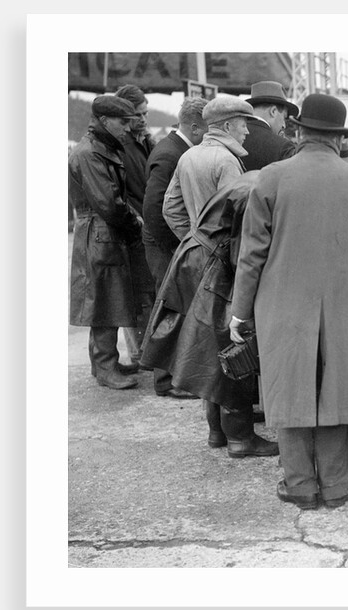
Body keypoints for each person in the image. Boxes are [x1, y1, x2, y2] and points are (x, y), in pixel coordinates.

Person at [229, 93, 348, 509]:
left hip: (280, 304)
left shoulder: (270, 178)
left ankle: (299, 484)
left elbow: (252, 255)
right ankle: (337, 485)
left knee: (290, 387)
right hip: (340, 304)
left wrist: (239, 311)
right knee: (336, 387)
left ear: (299, 132)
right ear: (338, 139)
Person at [141, 172, 277, 458]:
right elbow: (244, 256)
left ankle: (218, 431)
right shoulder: (260, 193)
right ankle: (240, 437)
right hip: (212, 263)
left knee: (210, 349)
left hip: (197, 257)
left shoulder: (257, 179)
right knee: (235, 344)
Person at [68, 95, 144, 389]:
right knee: (104, 299)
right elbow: (109, 204)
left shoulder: (99, 148)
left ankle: (104, 363)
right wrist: (133, 223)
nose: (127, 128)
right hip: (100, 232)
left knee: (107, 297)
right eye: (122, 122)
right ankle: (104, 366)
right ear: (103, 121)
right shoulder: (90, 153)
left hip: (102, 232)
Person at [140, 96, 208, 399]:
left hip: (167, 243)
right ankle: (165, 380)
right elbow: (154, 208)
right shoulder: (170, 154)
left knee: (173, 306)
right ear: (195, 127)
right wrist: (177, 246)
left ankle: (171, 375)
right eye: (208, 130)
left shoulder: (176, 149)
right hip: (164, 245)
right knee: (169, 307)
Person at [162, 95, 253, 241]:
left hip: (199, 253)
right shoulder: (227, 160)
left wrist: (194, 240)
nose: (247, 131)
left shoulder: (187, 156)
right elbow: (235, 217)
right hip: (222, 255)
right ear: (227, 127)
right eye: (244, 125)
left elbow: (170, 209)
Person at [113, 84, 156, 369]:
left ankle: (146, 351)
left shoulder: (143, 142)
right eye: (137, 114)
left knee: (147, 291)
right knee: (138, 294)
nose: (143, 118)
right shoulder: (121, 147)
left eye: (145, 113)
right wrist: (136, 220)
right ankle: (140, 353)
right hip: (134, 228)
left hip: (146, 226)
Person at [240, 80, 297, 171]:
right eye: (283, 118)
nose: (284, 125)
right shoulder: (283, 146)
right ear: (273, 111)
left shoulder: (234, 138)